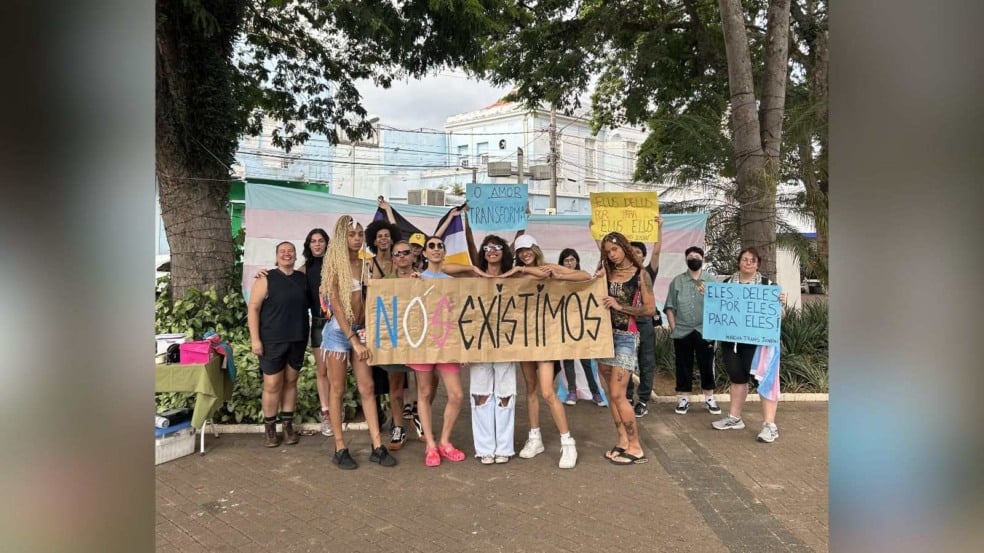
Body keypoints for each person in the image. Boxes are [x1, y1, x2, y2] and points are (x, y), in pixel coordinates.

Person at [320, 215, 397, 469]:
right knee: (337, 389)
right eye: (352, 234)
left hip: (362, 330)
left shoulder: (367, 264)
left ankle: (377, 445)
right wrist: (353, 340)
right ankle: (340, 447)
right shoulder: (333, 266)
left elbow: (381, 291)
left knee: (367, 387)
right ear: (343, 237)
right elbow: (338, 308)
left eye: (360, 234)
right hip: (339, 333)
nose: (356, 239)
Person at [507, 234, 587, 469]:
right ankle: (535, 438)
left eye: (528, 249)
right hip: (524, 338)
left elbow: (584, 276)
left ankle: (567, 442)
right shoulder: (517, 272)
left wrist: (558, 275)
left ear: (536, 249)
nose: (524, 254)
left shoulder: (548, 267)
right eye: (520, 251)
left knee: (546, 391)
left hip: (545, 339)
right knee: (530, 390)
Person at [711, 247, 787, 443]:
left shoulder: (768, 285)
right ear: (739, 262)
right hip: (731, 342)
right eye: (744, 259)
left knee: (764, 381)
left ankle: (770, 425)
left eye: (752, 260)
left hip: (758, 344)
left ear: (758, 264)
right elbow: (717, 309)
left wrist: (780, 304)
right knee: (737, 378)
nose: (748, 263)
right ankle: (735, 418)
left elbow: (780, 316)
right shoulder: (726, 284)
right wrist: (708, 295)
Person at [406, 236, 468, 467]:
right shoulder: (417, 278)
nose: (435, 249)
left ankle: (444, 440)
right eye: (431, 246)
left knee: (456, 394)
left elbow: (458, 313)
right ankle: (430, 444)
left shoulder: (451, 281)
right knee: (424, 392)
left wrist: (461, 347)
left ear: (444, 252)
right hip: (423, 343)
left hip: (446, 343)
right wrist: (411, 283)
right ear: (424, 253)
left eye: (439, 246)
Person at [597, 232, 656, 465]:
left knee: (618, 394)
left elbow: (649, 309)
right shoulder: (607, 273)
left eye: (615, 250)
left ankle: (636, 446)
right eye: (608, 252)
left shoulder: (641, 274)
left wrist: (621, 306)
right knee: (611, 395)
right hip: (602, 338)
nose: (612, 255)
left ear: (624, 247)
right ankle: (622, 441)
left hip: (626, 337)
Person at [247, 241, 310, 448]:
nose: (287, 254)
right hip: (271, 340)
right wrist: (255, 339)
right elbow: (253, 309)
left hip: (298, 338)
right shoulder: (266, 279)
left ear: (295, 255)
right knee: (272, 384)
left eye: (290, 251)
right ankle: (270, 429)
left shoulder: (302, 279)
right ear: (276, 256)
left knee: (291, 382)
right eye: (282, 251)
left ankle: (288, 425)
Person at [465, 234, 519, 464]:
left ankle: (504, 448)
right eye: (487, 247)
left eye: (497, 247)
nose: (492, 251)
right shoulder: (474, 274)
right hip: (479, 341)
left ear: (504, 251)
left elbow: (541, 273)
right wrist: (478, 272)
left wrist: (512, 273)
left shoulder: (515, 277)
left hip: (506, 342)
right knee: (481, 395)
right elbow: (447, 268)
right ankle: (485, 447)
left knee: (506, 394)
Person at [663, 245, 721, 416]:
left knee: (707, 365)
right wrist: (673, 327)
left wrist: (708, 295)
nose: (694, 258)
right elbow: (669, 306)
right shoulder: (677, 281)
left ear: (703, 259)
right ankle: (683, 398)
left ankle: (709, 398)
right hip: (682, 331)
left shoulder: (711, 280)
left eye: (697, 255)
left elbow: (720, 306)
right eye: (690, 256)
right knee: (682, 365)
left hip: (705, 331)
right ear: (686, 259)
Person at [378, 240, 419, 451]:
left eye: (406, 252)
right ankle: (398, 427)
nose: (402, 256)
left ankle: (420, 414)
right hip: (395, 340)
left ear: (413, 256)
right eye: (397, 253)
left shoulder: (423, 278)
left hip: (419, 339)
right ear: (393, 258)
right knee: (395, 385)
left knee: (427, 382)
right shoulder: (384, 282)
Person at [299, 228, 338, 437]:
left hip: (338, 322)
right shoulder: (305, 269)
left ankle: (336, 408)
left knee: (336, 372)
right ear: (308, 245)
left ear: (326, 243)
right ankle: (326, 413)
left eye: (320, 240)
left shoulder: (336, 266)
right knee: (322, 371)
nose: (317, 244)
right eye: (313, 241)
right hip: (318, 323)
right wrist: (265, 275)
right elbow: (285, 279)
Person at [555, 248, 605, 407]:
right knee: (568, 360)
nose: (569, 263)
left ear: (577, 261)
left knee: (586, 360)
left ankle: (595, 392)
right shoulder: (556, 281)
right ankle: (572, 391)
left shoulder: (583, 277)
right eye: (566, 260)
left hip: (582, 324)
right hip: (564, 324)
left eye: (572, 260)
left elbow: (591, 282)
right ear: (562, 263)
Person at [625, 214, 664, 417]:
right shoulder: (621, 272)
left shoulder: (649, 271)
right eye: (631, 251)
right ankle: (627, 395)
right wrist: (595, 232)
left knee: (646, 360)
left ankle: (644, 399)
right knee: (626, 360)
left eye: (639, 252)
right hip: (626, 322)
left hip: (645, 322)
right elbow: (603, 254)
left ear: (643, 255)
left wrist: (659, 228)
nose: (635, 254)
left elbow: (657, 253)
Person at [365, 199, 402, 280]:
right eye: (380, 236)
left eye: (386, 235)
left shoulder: (398, 263)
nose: (383, 238)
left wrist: (388, 210)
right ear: (374, 242)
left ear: (392, 240)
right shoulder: (368, 264)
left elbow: (395, 228)